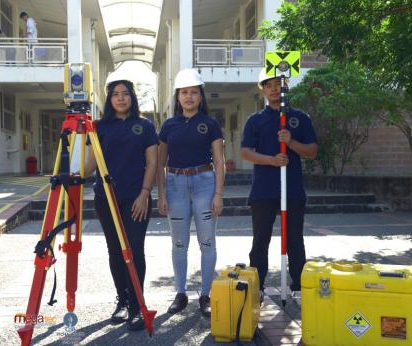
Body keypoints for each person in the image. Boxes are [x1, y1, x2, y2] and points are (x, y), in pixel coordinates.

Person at [84, 73, 158, 330]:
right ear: (109, 99)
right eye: (115, 94)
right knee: (115, 250)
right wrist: (71, 169)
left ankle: (138, 305)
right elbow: (90, 164)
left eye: (125, 93)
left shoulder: (145, 126)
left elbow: (152, 163)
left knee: (134, 249)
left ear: (132, 97)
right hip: (107, 199)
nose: (121, 98)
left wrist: (145, 193)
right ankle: (123, 301)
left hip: (136, 198)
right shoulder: (99, 127)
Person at [241, 68, 318, 304]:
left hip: (292, 190)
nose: (274, 89)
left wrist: (290, 142)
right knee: (260, 240)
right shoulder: (255, 120)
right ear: (262, 89)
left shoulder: (300, 118)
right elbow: (245, 152)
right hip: (263, 191)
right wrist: (272, 160)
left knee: (295, 239)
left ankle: (298, 286)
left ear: (286, 87)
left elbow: (312, 151)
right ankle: (258, 286)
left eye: (279, 84)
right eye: (269, 84)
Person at [156, 68, 225, 317]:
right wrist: (161, 194)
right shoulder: (168, 125)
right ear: (177, 97)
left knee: (207, 242)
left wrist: (218, 194)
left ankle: (206, 294)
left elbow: (220, 161)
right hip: (175, 185)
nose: (189, 97)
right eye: (184, 92)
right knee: (179, 244)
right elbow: (160, 161)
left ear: (201, 96)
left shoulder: (210, 124)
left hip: (205, 183)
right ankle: (180, 293)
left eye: (194, 92)